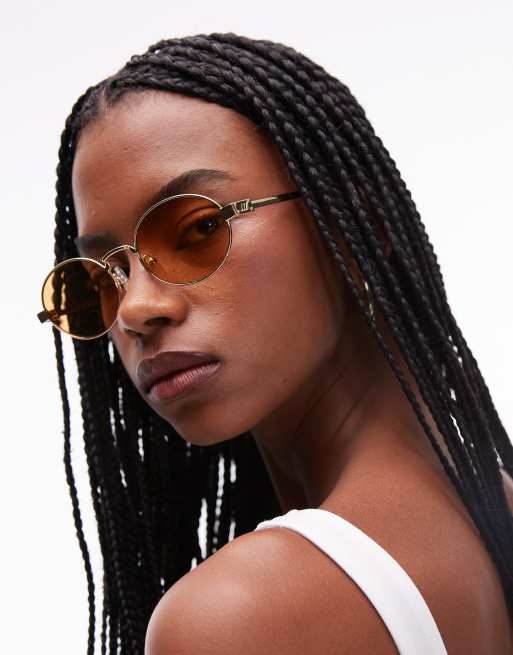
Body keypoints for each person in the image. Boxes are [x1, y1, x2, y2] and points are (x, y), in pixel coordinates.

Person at [38, 32, 513, 654]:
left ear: (354, 224)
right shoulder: (494, 516)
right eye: (105, 276)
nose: (135, 310)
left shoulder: (238, 615)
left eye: (199, 229)